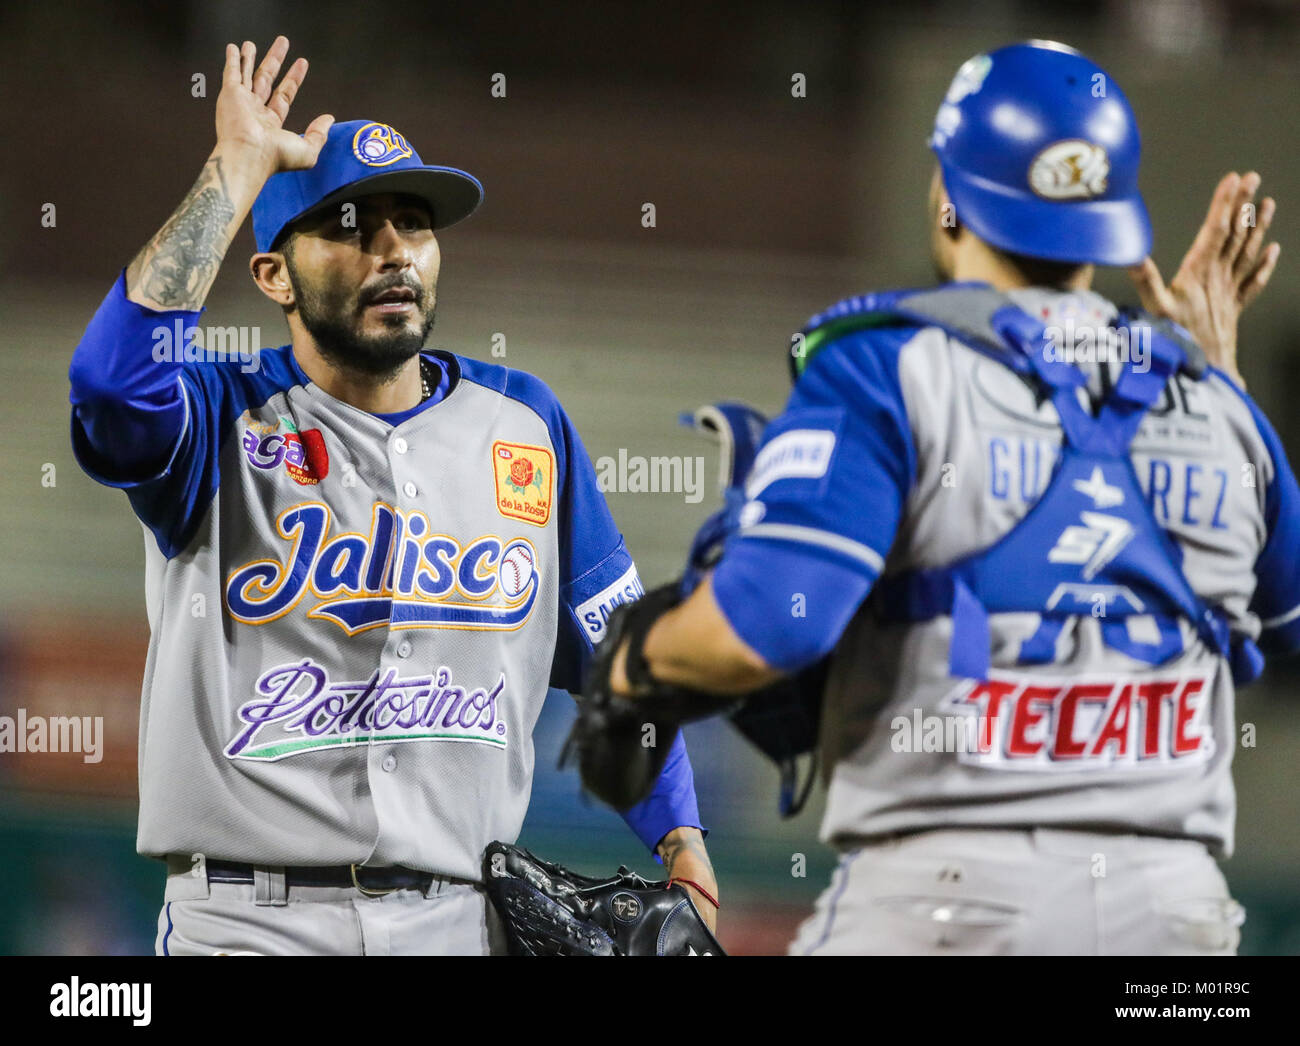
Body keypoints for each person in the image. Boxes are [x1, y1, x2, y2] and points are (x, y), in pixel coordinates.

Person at [587, 40, 1294, 955]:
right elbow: (1281, 627)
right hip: (1180, 920)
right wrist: (1219, 373)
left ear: (949, 192)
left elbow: (772, 625)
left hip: (954, 901)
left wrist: (630, 667)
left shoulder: (886, 366)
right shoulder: (1219, 405)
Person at [67, 36, 715, 956]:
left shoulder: (525, 422)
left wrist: (683, 840)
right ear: (272, 275)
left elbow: (621, 661)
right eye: (346, 226)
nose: (392, 251)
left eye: (412, 222)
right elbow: (108, 386)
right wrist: (234, 170)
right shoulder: (218, 413)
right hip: (248, 925)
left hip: (458, 922)